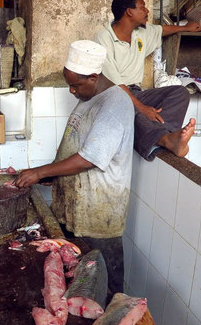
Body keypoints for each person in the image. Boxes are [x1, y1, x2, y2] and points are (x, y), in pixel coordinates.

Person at [14, 40, 135, 294]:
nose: (71, 91)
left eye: (75, 85)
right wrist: (49, 174)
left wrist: (42, 171)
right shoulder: (90, 96)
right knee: (76, 282)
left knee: (102, 287)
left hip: (98, 216)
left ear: (94, 77)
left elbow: (89, 158)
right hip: (76, 209)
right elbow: (76, 145)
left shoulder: (114, 104)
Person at [96, 0, 198, 160]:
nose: (147, 11)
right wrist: (142, 108)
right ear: (129, 12)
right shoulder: (105, 38)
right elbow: (117, 86)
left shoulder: (140, 33)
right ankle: (164, 139)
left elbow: (162, 30)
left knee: (180, 93)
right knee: (130, 108)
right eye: (142, 7)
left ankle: (169, 136)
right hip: (112, 95)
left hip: (137, 93)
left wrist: (185, 28)